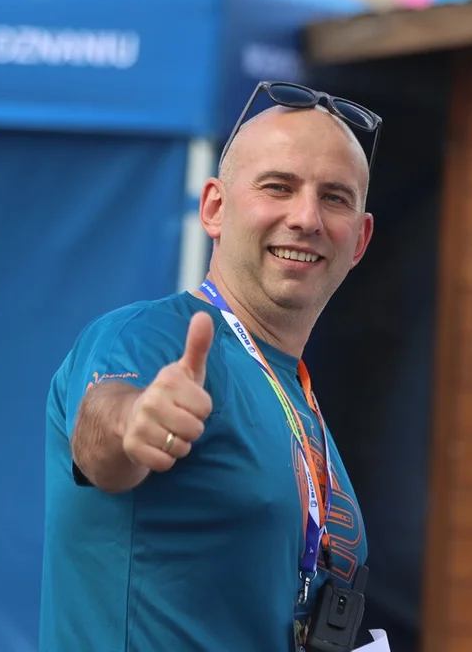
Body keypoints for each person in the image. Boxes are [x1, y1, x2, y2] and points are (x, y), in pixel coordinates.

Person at [39, 81, 383, 652]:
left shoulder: (295, 393)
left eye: (335, 198)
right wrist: (137, 423)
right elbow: (101, 432)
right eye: (279, 187)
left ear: (361, 240)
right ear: (214, 208)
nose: (306, 217)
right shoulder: (154, 336)